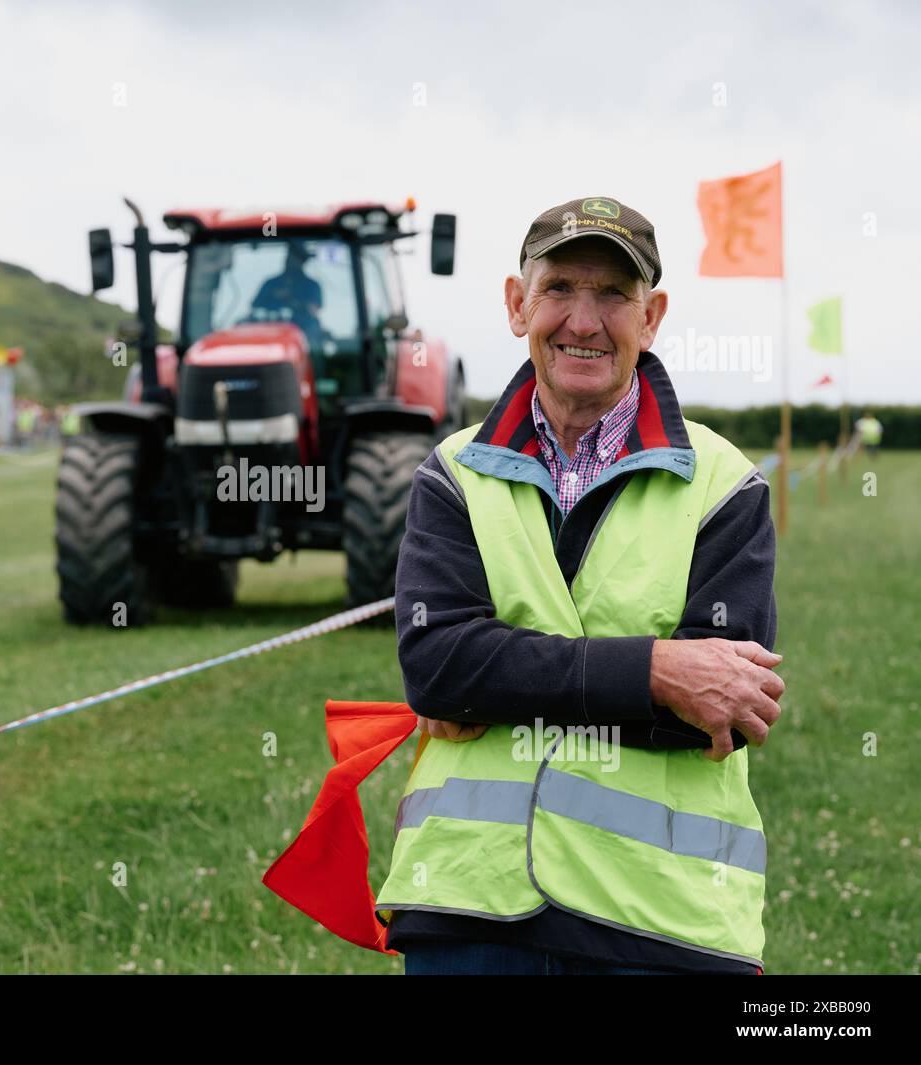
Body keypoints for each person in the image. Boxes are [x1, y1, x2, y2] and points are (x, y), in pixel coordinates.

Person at [377, 196, 785, 975]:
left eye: (613, 295)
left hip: (659, 921)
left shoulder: (727, 486)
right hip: (469, 909)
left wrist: (495, 685)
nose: (584, 321)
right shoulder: (452, 475)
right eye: (560, 287)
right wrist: (659, 672)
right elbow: (438, 665)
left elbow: (720, 710)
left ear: (653, 315)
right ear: (516, 303)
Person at [251, 241, 323, 340]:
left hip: (304, 335)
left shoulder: (311, 285)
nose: (291, 261)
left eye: (295, 257)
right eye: (290, 257)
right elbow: (255, 306)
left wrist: (293, 300)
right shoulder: (271, 283)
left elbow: (313, 309)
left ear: (302, 260)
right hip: (269, 332)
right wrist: (274, 295)